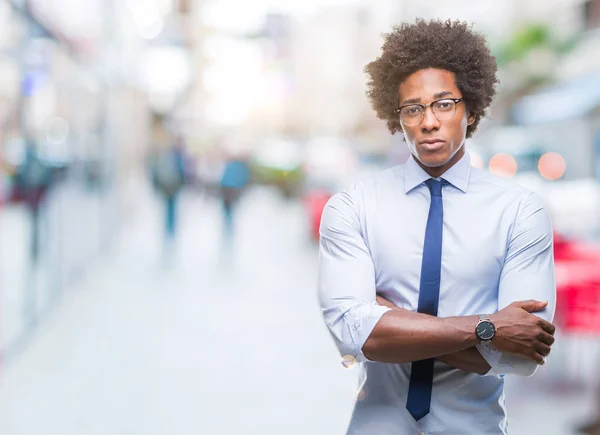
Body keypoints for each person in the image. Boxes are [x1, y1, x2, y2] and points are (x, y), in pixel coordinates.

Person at [318, 19, 556, 435]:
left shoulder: (521, 212)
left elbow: (519, 356)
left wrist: (390, 319)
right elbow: (357, 336)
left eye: (444, 103)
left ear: (472, 109)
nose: (428, 121)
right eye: (413, 108)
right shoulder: (353, 207)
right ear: (398, 118)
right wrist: (488, 328)